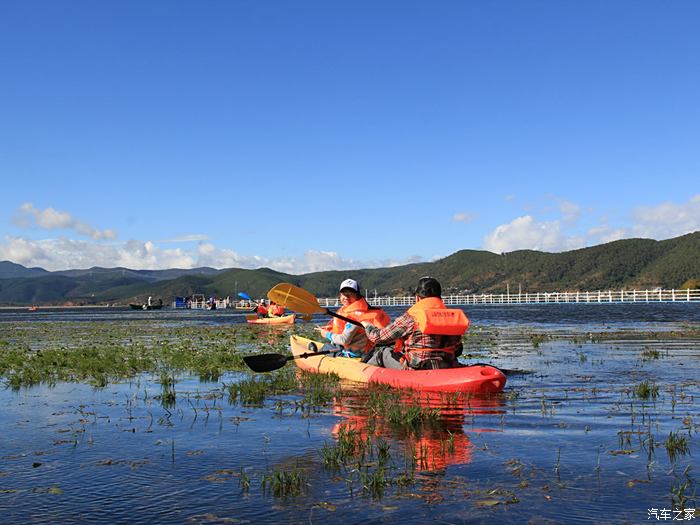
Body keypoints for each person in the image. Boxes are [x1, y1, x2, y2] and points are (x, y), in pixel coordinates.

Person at [362, 277, 469, 370]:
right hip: (447, 366)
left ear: (417, 298)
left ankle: (362, 373)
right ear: (440, 298)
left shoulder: (410, 318)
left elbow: (377, 338)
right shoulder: (452, 318)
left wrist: (367, 326)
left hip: (417, 369)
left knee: (383, 352)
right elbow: (458, 350)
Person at [316, 278, 391, 358]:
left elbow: (344, 340)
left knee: (327, 346)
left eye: (350, 294)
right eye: (343, 294)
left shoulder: (355, 316)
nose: (346, 297)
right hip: (367, 353)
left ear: (357, 296)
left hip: (352, 356)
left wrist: (326, 334)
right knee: (331, 345)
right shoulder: (364, 311)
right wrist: (330, 328)